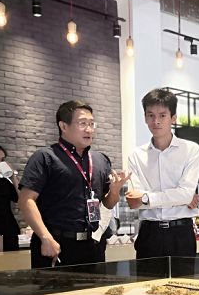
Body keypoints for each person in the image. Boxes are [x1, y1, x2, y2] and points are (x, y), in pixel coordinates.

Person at [19, 100, 130, 269]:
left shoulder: (100, 160)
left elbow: (107, 204)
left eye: (92, 124)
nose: (89, 129)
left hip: (93, 245)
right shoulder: (45, 157)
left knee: (95, 287)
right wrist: (45, 237)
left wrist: (114, 191)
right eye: (82, 123)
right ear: (63, 126)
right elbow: (26, 200)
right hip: (56, 244)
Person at [125, 88, 199, 277]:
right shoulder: (136, 155)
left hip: (181, 234)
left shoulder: (191, 150)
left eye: (162, 115)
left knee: (183, 289)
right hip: (149, 234)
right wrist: (176, 197)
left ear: (173, 118)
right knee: (146, 289)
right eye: (150, 115)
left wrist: (146, 198)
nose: (156, 121)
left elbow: (185, 194)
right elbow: (134, 200)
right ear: (145, 118)